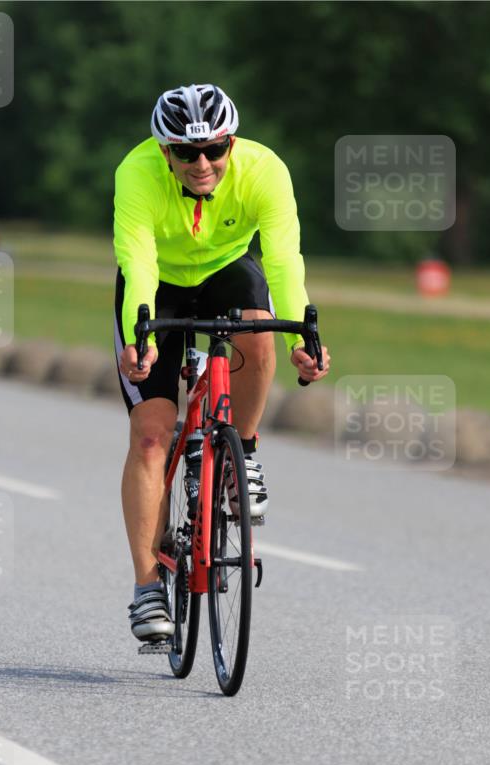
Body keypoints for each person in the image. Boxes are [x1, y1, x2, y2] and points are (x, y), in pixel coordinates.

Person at [114, 84, 330, 642]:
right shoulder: (136, 173)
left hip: (228, 270)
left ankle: (244, 454)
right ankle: (145, 588)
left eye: (215, 149)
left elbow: (283, 258)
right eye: (187, 153)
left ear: (232, 142)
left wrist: (301, 339)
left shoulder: (265, 170)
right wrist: (142, 336)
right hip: (158, 285)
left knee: (257, 337)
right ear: (164, 151)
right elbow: (136, 256)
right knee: (150, 436)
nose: (202, 163)